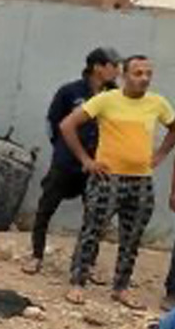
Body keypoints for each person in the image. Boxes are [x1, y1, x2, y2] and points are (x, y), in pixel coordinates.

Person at [61, 55, 175, 308]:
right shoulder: (106, 100)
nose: (144, 78)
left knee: (132, 237)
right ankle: (78, 283)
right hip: (106, 179)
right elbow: (67, 125)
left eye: (148, 73)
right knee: (92, 231)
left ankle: (121, 288)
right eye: (137, 73)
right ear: (124, 76)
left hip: (141, 182)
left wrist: (160, 154)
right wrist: (86, 160)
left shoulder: (158, 103)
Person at [22, 47, 121, 275]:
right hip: (66, 163)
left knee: (95, 215)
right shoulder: (70, 91)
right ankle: (36, 256)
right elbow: (53, 123)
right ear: (97, 67)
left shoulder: (115, 95)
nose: (117, 71)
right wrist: (62, 148)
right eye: (113, 66)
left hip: (97, 166)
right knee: (46, 209)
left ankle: (87, 264)